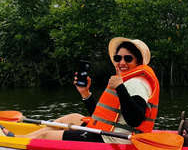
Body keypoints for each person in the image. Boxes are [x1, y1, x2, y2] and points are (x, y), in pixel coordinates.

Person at [16, 37, 160, 144]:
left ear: (138, 62)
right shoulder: (127, 80)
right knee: (71, 118)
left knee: (46, 137)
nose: (122, 62)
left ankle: (15, 142)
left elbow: (135, 120)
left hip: (116, 140)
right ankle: (20, 138)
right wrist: (85, 93)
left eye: (128, 58)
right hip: (109, 132)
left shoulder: (136, 83)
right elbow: (101, 118)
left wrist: (120, 88)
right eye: (118, 58)